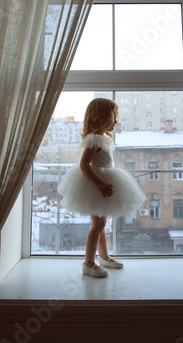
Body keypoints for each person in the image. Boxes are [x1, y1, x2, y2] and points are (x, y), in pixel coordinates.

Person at [58, 98, 147, 278]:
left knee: (102, 223)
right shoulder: (94, 140)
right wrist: (99, 183)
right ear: (100, 117)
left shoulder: (102, 139)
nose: (115, 121)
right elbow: (84, 165)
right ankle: (88, 263)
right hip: (95, 184)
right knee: (98, 224)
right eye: (113, 117)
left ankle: (104, 257)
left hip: (102, 181)